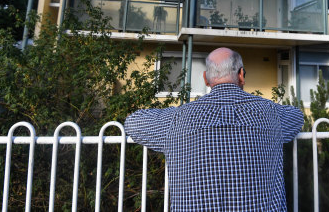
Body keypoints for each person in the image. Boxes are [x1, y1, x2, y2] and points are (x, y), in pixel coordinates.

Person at [124, 47, 305, 211]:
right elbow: (297, 117)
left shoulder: (178, 118)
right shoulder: (272, 114)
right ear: (241, 75)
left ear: (206, 79)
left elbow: (133, 123)